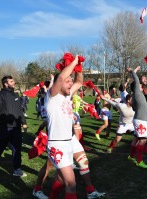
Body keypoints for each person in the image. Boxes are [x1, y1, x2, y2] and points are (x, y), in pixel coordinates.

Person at [45, 55, 105, 199]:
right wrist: (73, 62)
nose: (71, 84)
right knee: (71, 183)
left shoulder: (67, 95)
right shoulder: (52, 96)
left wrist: (78, 68)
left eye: (70, 81)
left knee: (65, 175)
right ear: (59, 85)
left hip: (70, 140)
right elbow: (60, 78)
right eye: (68, 81)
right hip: (57, 144)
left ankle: (89, 191)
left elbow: (79, 81)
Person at [0, 75, 27, 177]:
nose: (14, 82)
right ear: (6, 84)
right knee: (1, 147)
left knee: (17, 148)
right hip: (6, 126)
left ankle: (17, 169)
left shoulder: (16, 95)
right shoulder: (1, 95)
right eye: (11, 81)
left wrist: (23, 122)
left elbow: (19, 111)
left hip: (16, 126)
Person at [127, 66, 147, 169]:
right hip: (140, 121)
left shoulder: (137, 95)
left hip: (139, 119)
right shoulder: (137, 93)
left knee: (136, 139)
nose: (141, 86)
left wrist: (134, 71)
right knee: (142, 141)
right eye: (139, 85)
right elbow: (136, 79)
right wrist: (133, 71)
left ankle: (131, 156)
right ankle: (139, 160)